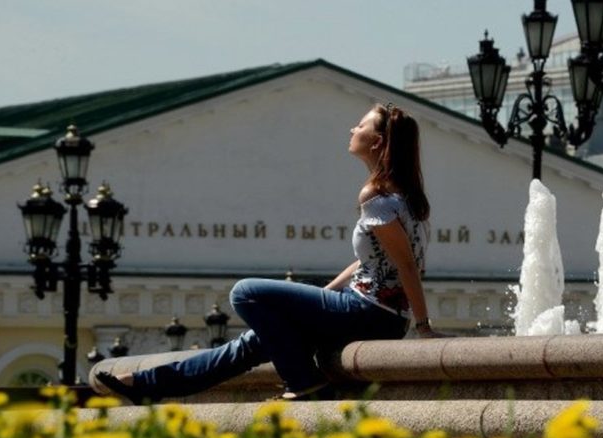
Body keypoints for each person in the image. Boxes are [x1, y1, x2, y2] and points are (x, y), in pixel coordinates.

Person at [96, 103, 441, 403]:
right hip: (375, 313)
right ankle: (146, 386)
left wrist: (424, 327)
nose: (353, 129)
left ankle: (304, 382)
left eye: (361, 125)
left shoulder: (376, 197)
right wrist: (323, 296)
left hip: (367, 312)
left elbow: (408, 266)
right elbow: (372, 262)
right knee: (250, 345)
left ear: (377, 141)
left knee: (245, 293)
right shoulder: (408, 199)